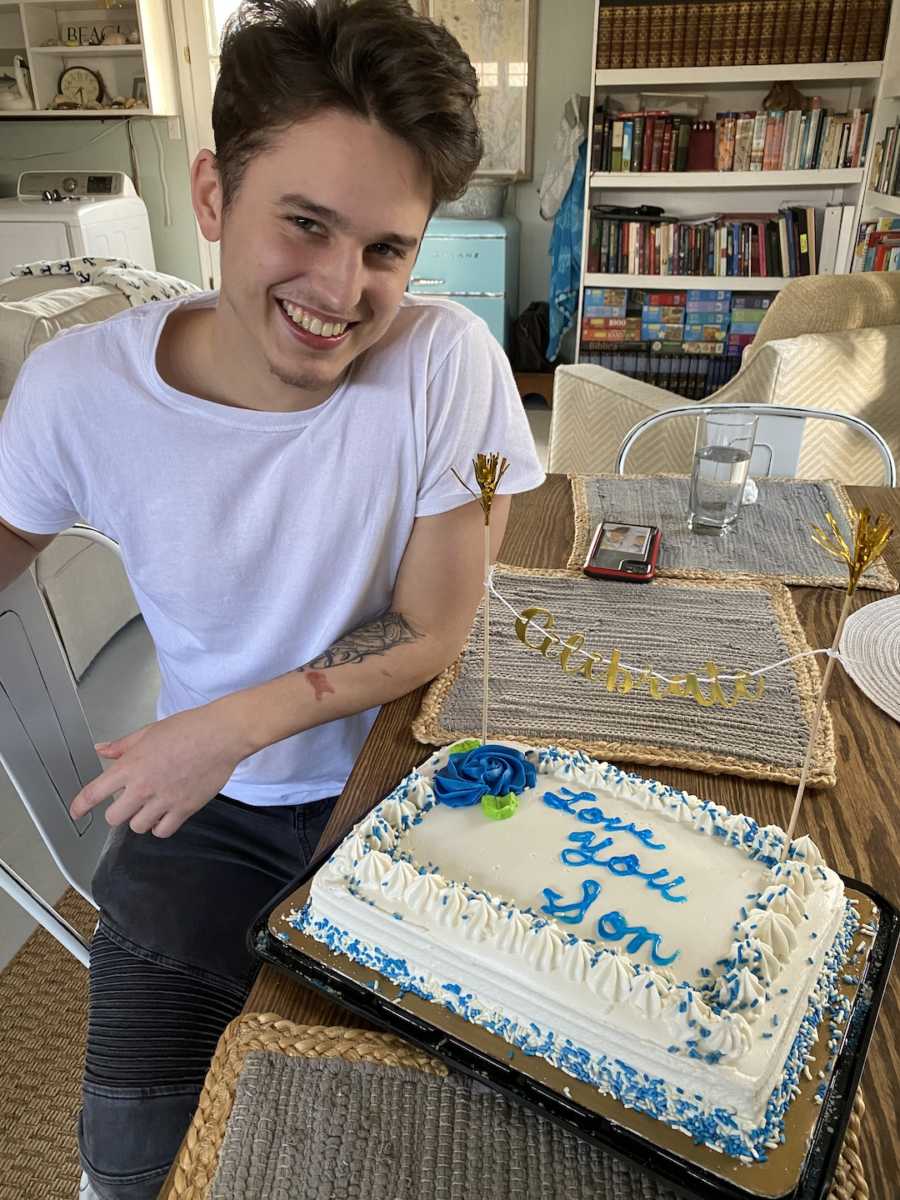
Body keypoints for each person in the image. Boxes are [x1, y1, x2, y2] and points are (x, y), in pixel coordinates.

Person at [0, 1, 544, 1196]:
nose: (343, 291)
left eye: (388, 249)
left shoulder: (445, 363)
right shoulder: (76, 390)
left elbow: (438, 624)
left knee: (480, 1137)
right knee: (129, 1170)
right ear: (211, 196)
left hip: (408, 785)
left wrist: (230, 722)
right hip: (209, 828)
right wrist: (216, 755)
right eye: (305, 225)